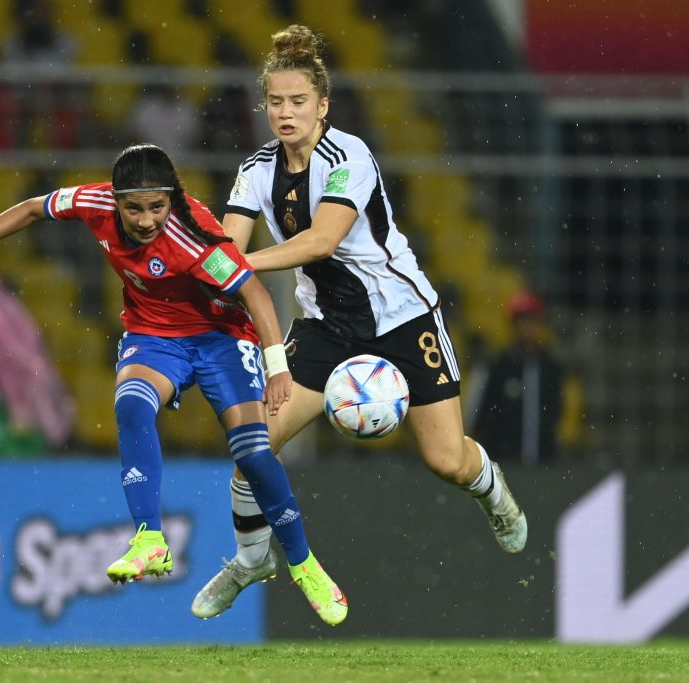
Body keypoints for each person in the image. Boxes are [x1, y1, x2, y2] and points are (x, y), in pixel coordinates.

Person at [190, 25, 529, 619]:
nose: (286, 113)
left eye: (298, 102)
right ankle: (251, 559)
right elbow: (226, 241)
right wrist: (202, 267)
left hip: (401, 318)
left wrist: (234, 266)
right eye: (275, 102)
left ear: (323, 106)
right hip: (324, 326)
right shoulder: (256, 169)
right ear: (264, 107)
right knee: (251, 448)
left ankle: (493, 490)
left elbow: (321, 241)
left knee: (446, 460)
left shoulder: (350, 157)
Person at [0, 143, 348, 626]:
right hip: (154, 337)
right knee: (131, 403)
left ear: (172, 198)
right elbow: (30, 208)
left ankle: (302, 563)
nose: (147, 219)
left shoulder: (194, 240)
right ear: (116, 199)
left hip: (219, 339)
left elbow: (253, 292)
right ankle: (149, 540)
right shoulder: (94, 203)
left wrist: (277, 365)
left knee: (254, 453)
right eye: (135, 208)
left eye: (158, 206)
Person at [471, 290, 575, 466]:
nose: (527, 328)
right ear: (512, 325)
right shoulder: (497, 367)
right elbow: (479, 416)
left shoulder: (551, 369)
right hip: (504, 464)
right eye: (521, 321)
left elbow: (560, 413)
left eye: (532, 321)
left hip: (544, 464)